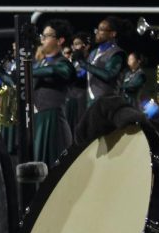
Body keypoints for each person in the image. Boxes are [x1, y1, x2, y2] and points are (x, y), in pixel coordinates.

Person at [31, 19, 76, 166]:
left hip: (53, 120)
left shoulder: (63, 63)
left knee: (54, 167)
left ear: (60, 40)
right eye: (42, 35)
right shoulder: (40, 63)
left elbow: (59, 71)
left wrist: (27, 71)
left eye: (47, 36)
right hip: (38, 118)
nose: (42, 39)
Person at [79, 17, 127, 103]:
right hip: (91, 101)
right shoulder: (94, 52)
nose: (97, 32)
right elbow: (83, 74)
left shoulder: (117, 53)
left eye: (101, 29)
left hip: (107, 102)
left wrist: (84, 64)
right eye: (97, 29)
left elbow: (108, 75)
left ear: (112, 34)